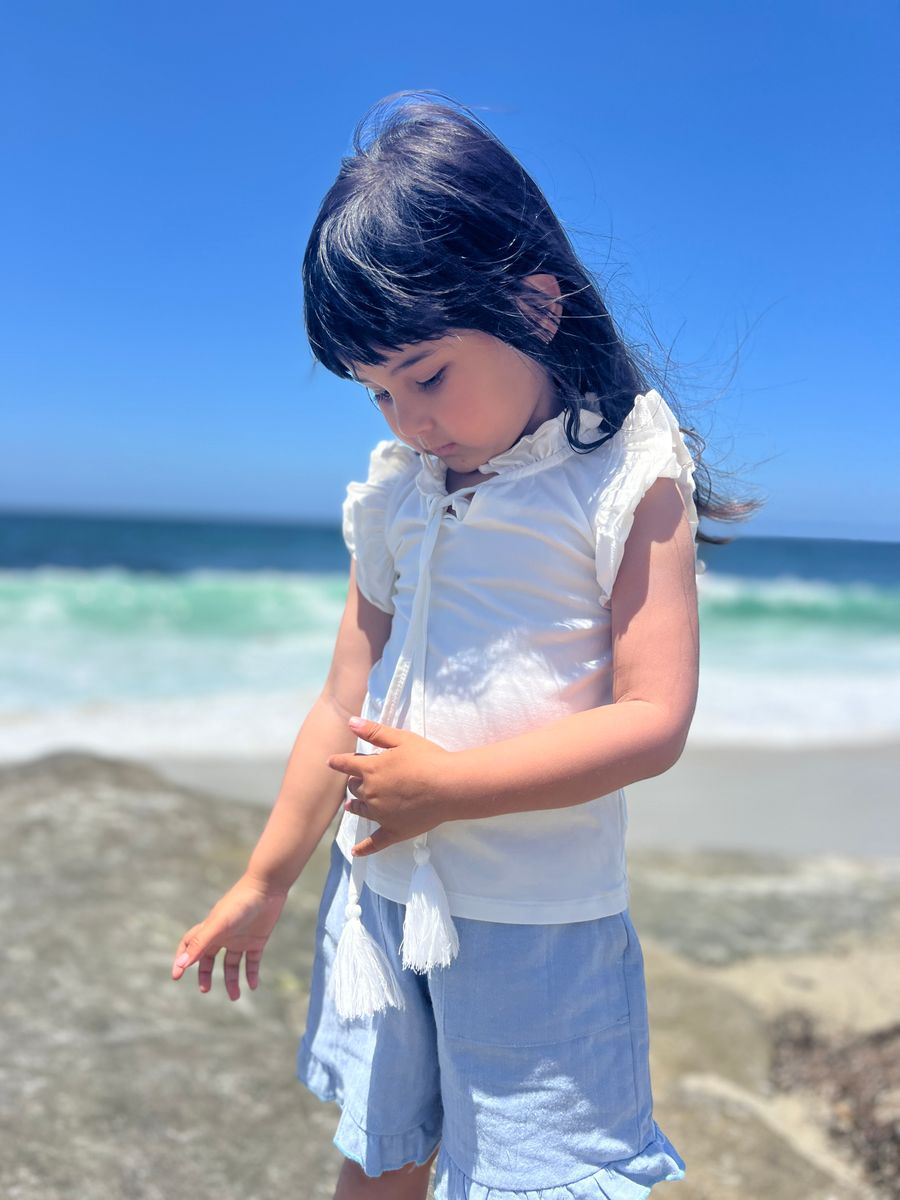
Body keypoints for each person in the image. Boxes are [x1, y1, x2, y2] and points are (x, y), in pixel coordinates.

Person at [171, 90, 758, 1200]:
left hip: (540, 920)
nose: (409, 420)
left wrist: (449, 788)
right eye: (378, 393)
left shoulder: (626, 474)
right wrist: (264, 879)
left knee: (535, 1178)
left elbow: (652, 719)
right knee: (379, 1150)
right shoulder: (399, 492)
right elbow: (340, 703)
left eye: (428, 374)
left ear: (534, 304)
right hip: (380, 899)